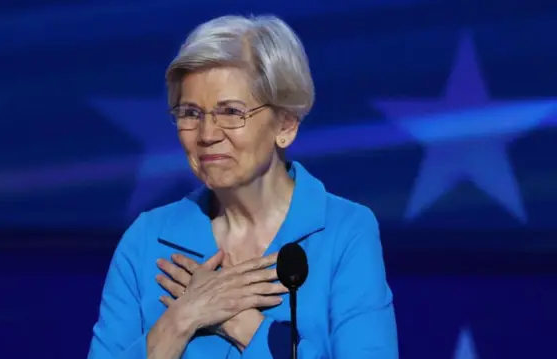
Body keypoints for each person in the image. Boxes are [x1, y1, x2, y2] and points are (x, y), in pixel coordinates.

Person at [87, 14, 398, 359]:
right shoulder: (147, 240)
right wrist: (180, 319)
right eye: (190, 113)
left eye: (232, 112)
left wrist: (239, 320)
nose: (207, 135)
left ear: (285, 124)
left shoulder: (345, 231)